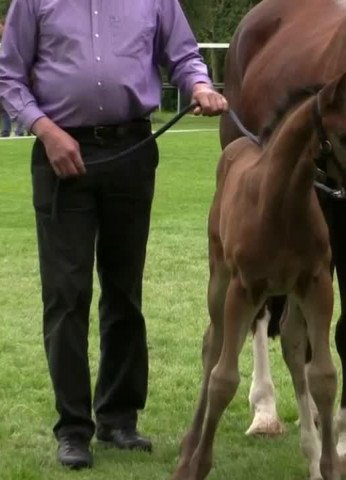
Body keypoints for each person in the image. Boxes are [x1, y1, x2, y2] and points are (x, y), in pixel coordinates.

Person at [0, 0, 228, 471]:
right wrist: (45, 131)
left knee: (125, 291)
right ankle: (74, 428)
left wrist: (200, 85)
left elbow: (183, 55)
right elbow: (8, 77)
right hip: (61, 154)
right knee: (66, 294)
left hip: (132, 149)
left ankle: (119, 419)